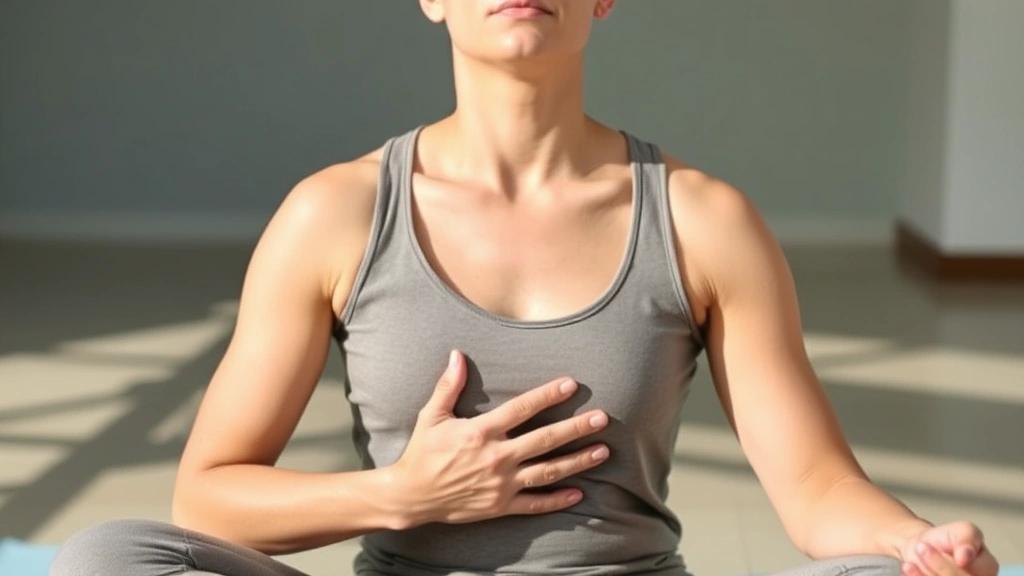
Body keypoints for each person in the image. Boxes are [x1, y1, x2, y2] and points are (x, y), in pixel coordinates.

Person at [51, 1, 1002, 576]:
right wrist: (404, 494)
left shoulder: (705, 219)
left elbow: (816, 488)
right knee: (107, 559)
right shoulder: (333, 213)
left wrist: (919, 546)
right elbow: (208, 499)